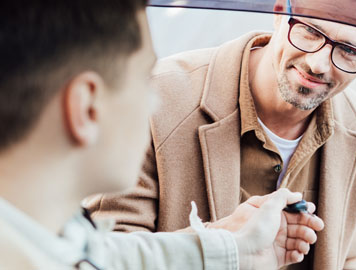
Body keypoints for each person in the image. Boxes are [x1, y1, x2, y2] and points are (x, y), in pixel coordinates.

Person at [0, 0, 324, 269]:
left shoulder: (55, 235)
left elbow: (109, 257)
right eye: (144, 78)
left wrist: (234, 248)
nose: (154, 103)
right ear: (86, 107)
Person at [87, 0, 356, 268]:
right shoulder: (158, 97)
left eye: (349, 51)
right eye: (310, 31)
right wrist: (222, 244)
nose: (318, 64)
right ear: (280, 11)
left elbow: (349, 258)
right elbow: (101, 255)